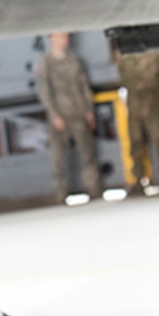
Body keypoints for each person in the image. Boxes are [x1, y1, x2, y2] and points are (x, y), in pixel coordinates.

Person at [35, 32, 102, 202]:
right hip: (60, 115)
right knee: (59, 157)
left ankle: (93, 188)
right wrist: (54, 115)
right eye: (60, 36)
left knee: (87, 153)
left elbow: (83, 86)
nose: (65, 39)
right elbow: (45, 93)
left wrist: (89, 110)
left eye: (65, 36)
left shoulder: (75, 60)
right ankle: (60, 192)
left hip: (78, 113)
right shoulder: (46, 63)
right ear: (52, 39)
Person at [115, 50, 159, 195]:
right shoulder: (128, 52)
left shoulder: (152, 51)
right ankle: (140, 179)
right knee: (137, 140)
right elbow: (123, 76)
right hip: (139, 100)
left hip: (151, 100)